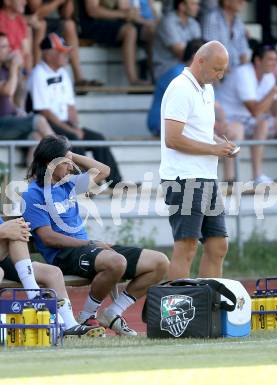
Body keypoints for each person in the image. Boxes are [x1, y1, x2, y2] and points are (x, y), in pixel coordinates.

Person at [21, 135, 169, 336]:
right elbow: (48, 238)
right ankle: (87, 315)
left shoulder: (68, 184)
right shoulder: (33, 194)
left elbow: (104, 171)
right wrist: (89, 242)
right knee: (116, 262)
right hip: (64, 254)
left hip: (88, 248)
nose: (71, 167)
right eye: (66, 163)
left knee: (159, 263)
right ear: (50, 164)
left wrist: (70, 154)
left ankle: (113, 312)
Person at [160, 40, 237, 280]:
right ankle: (175, 312)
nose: (220, 75)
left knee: (218, 245)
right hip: (183, 178)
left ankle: (208, 307)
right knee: (187, 247)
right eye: (217, 69)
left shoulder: (206, 88)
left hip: (205, 177)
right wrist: (214, 150)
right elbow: (173, 139)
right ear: (200, 60)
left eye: (223, 70)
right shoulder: (181, 88)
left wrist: (220, 145)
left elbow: (199, 133)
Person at [27, 33, 122, 189]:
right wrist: (72, 130)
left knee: (97, 138)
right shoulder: (38, 73)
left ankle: (116, 184)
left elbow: (71, 106)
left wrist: (76, 126)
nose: (66, 55)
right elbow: (44, 112)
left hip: (66, 123)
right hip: (48, 123)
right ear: (48, 54)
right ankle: (78, 187)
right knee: (72, 140)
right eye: (60, 52)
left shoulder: (64, 73)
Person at [0, 216, 105, 336]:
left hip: (6, 258)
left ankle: (70, 325)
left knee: (52, 273)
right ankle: (35, 296)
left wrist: (13, 229)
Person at [215, 44, 277, 184]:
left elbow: (274, 112)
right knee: (238, 129)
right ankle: (230, 180)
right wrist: (275, 89)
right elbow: (255, 110)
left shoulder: (269, 77)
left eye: (276, 60)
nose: (275, 64)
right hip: (222, 119)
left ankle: (257, 176)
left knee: (264, 123)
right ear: (257, 60)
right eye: (270, 59)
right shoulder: (243, 73)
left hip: (245, 119)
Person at [0, 32, 54, 165]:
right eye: (3, 47)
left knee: (36, 137)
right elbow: (7, 91)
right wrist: (13, 67)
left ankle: (31, 178)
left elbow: (19, 97)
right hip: (2, 124)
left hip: (10, 122)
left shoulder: (5, 69)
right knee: (39, 120)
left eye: (7, 46)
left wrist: (17, 70)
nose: (8, 50)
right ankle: (65, 154)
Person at [26, 0, 103, 88]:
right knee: (41, 25)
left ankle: (78, 78)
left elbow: (66, 14)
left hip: (52, 23)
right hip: (33, 22)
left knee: (69, 24)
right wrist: (58, 2)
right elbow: (36, 13)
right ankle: (37, 74)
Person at [78, 0, 151, 85]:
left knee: (150, 31)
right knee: (130, 31)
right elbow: (93, 11)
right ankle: (133, 79)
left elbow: (126, 9)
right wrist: (123, 14)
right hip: (93, 25)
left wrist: (136, 16)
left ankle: (154, 77)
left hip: (115, 22)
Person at [152, 0, 201, 81]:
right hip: (166, 71)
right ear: (182, 6)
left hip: (186, 68)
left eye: (197, 4)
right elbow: (181, 53)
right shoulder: (168, 21)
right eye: (193, 4)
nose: (197, 7)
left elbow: (199, 51)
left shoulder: (194, 24)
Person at [202, 0, 249, 69]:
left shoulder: (239, 22)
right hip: (216, 73)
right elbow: (210, 51)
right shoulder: (212, 18)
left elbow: (244, 53)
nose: (242, 1)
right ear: (226, 1)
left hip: (236, 71)